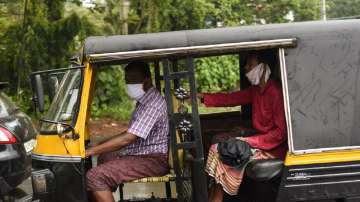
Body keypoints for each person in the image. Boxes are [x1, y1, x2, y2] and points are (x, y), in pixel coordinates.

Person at [200, 54, 287, 202]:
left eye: (250, 65)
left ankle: (217, 198)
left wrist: (250, 141)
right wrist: (203, 97)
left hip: (272, 150)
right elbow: (231, 98)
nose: (246, 68)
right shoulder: (255, 91)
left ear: (263, 67)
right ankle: (213, 196)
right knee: (217, 146)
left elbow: (280, 134)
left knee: (224, 151)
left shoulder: (275, 92)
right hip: (259, 143)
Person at [86, 61, 169, 202]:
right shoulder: (144, 99)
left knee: (94, 176)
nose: (128, 85)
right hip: (142, 153)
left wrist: (91, 151)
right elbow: (130, 131)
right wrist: (99, 146)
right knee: (106, 156)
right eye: (127, 80)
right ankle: (101, 192)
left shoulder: (153, 104)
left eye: (132, 81)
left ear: (147, 81)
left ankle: (100, 184)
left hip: (153, 160)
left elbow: (128, 138)